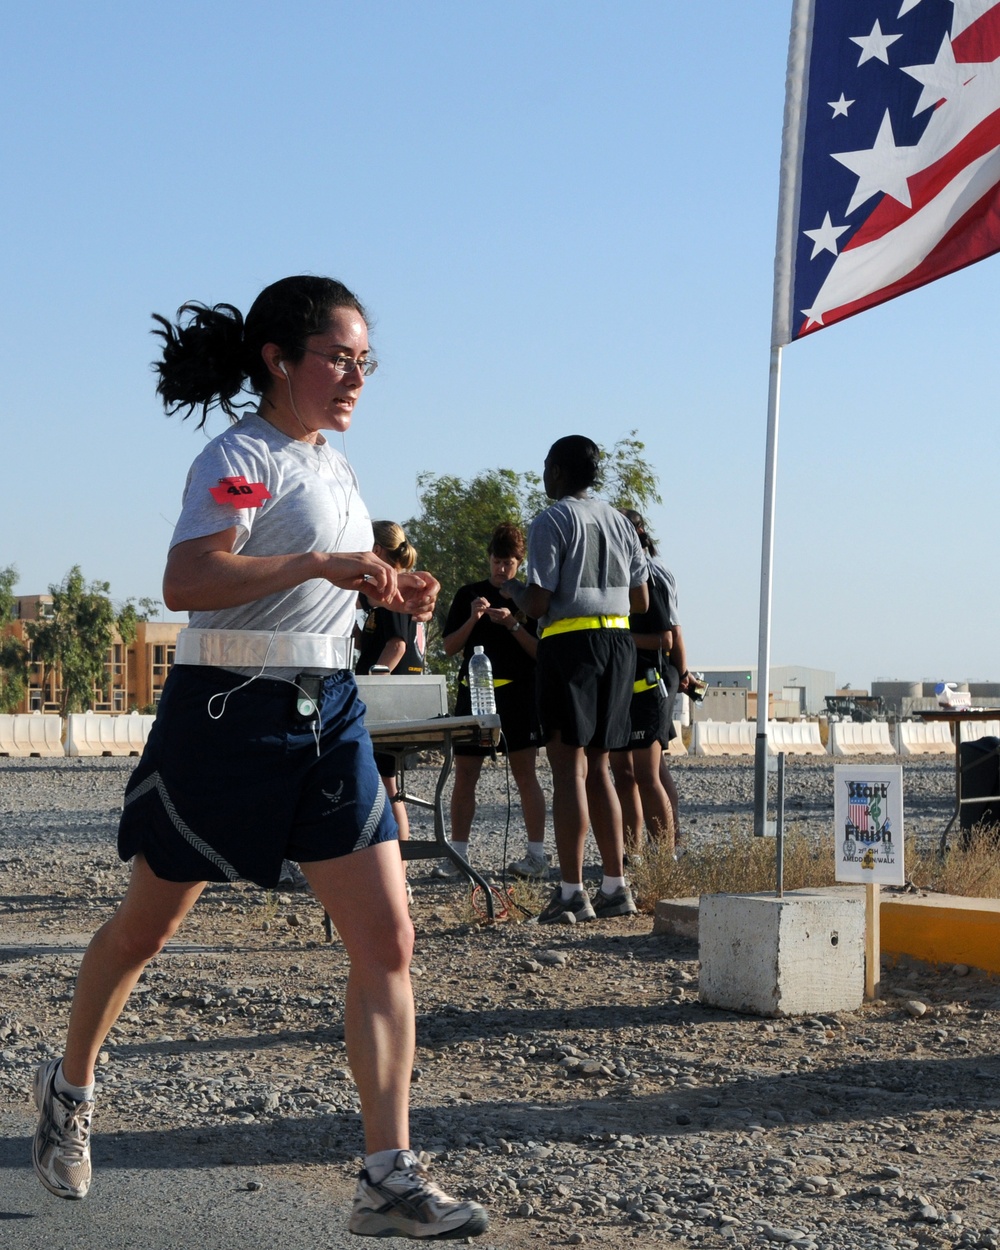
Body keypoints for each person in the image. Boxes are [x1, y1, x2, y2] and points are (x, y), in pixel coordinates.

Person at [30, 276, 488, 1241]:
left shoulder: (335, 467)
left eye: (367, 361)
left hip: (329, 715)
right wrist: (322, 565)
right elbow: (189, 578)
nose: (357, 377)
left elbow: (310, 586)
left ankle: (386, 1176)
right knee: (146, 931)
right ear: (281, 361)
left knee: (389, 941)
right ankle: (70, 1088)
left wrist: (388, 591)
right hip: (227, 715)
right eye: (339, 358)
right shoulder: (239, 456)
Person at [501, 436, 648, 924]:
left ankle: (570, 892)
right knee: (602, 767)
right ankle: (615, 886)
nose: (544, 476)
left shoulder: (553, 520)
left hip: (570, 646)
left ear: (559, 472)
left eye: (546, 467)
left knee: (568, 771)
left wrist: (512, 590)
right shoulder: (621, 522)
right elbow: (641, 601)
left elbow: (540, 602)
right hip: (618, 644)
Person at [437, 522, 547, 880]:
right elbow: (449, 646)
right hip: (475, 695)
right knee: (465, 774)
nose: (502, 571)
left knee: (525, 775)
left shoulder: (530, 598)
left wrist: (513, 624)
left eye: (509, 564)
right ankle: (458, 855)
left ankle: (536, 856)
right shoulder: (470, 593)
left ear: (520, 563)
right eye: (497, 562)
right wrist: (474, 618)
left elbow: (539, 653)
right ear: (489, 559)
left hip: (517, 695)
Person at [609, 509, 676, 858]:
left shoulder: (648, 579)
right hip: (618, 691)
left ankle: (664, 855)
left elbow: (666, 639)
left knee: (648, 775)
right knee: (621, 774)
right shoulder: (608, 578)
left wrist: (621, 637)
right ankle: (631, 854)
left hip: (647, 688)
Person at [355, 520, 425, 851]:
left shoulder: (395, 589)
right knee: (381, 780)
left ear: (379, 551)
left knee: (386, 782)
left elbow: (397, 645)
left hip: (390, 700)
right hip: (388, 696)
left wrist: (372, 684)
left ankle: (397, 859)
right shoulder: (379, 596)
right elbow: (374, 639)